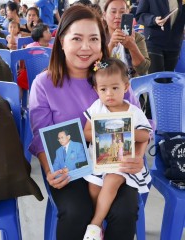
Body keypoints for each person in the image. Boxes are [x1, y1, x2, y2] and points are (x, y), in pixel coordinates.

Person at [29, 5, 146, 240]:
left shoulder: (114, 79)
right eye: (77, 39)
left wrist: (138, 157)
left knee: (124, 211)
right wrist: (50, 169)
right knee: (75, 211)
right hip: (70, 167)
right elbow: (42, 137)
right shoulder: (44, 83)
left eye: (93, 39)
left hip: (113, 165)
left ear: (102, 42)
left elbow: (137, 123)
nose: (86, 47)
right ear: (62, 41)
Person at [82, 58, 152, 240]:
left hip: (121, 162)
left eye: (115, 88)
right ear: (96, 90)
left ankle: (95, 224)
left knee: (112, 180)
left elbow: (146, 135)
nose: (109, 94)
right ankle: (101, 223)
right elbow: (86, 133)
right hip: (99, 159)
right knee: (93, 187)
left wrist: (127, 132)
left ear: (126, 87)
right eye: (103, 89)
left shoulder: (133, 111)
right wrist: (101, 131)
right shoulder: (97, 107)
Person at [135, 0, 185, 75]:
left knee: (169, 80)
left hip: (174, 43)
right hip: (154, 42)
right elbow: (140, 16)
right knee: (158, 79)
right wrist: (154, 19)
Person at [103, 0, 150, 78]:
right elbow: (96, 68)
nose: (118, 16)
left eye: (122, 12)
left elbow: (142, 70)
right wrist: (111, 45)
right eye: (113, 12)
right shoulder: (98, 38)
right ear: (104, 15)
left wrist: (132, 46)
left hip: (131, 86)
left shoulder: (137, 37)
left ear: (128, 14)